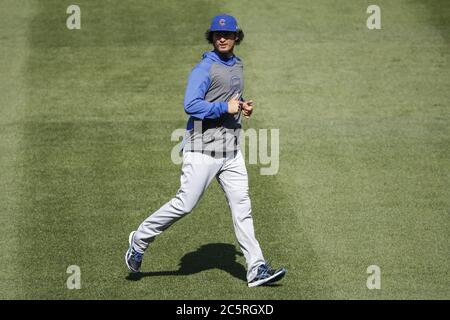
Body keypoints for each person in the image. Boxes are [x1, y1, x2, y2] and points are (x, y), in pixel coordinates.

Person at [125, 14, 286, 287]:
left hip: (231, 152)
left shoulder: (237, 65)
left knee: (242, 208)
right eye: (217, 34)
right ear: (212, 38)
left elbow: (228, 98)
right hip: (202, 150)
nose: (222, 38)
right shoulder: (204, 69)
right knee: (185, 204)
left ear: (237, 37)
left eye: (228, 34)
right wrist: (226, 108)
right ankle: (140, 239)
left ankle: (256, 268)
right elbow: (192, 105)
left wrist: (242, 105)